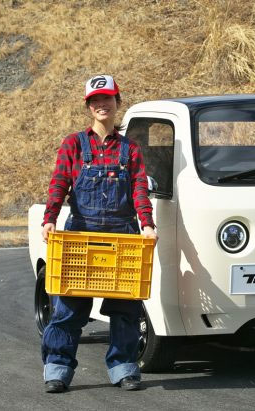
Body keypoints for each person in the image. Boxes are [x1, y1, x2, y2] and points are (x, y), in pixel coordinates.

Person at [40, 75, 157, 393]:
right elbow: (59, 183)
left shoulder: (130, 149)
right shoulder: (73, 144)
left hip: (123, 235)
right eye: (95, 100)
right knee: (68, 308)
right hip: (81, 233)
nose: (101, 104)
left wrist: (147, 224)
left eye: (107, 98)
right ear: (88, 106)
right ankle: (58, 369)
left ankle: (124, 368)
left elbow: (139, 189)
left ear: (117, 102)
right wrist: (49, 219)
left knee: (126, 309)